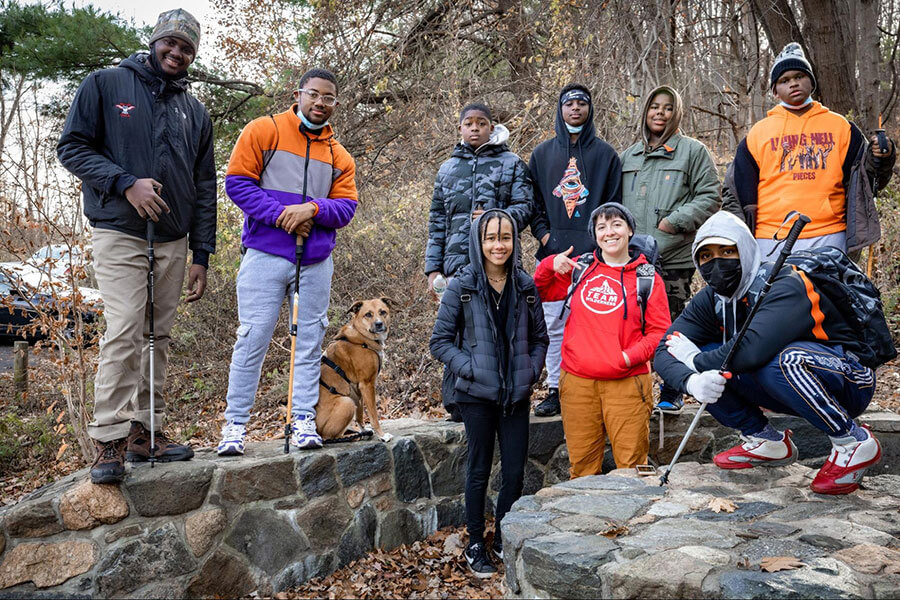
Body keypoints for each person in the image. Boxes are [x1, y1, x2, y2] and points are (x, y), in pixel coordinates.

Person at [57, 9, 215, 484]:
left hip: (173, 240)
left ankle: (147, 431)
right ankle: (110, 438)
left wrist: (202, 254)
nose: (177, 52)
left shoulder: (195, 111)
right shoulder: (106, 84)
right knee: (126, 327)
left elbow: (205, 185)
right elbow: (72, 148)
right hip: (119, 230)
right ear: (154, 42)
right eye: (170, 43)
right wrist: (125, 182)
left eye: (186, 48)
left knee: (157, 336)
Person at [655, 211, 881, 495]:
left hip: (848, 380)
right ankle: (766, 440)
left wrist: (693, 360)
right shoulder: (712, 299)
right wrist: (692, 382)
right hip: (783, 384)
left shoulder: (786, 283)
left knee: (782, 360)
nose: (717, 262)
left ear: (745, 249)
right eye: (706, 256)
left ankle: (852, 440)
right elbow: (664, 350)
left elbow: (752, 350)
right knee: (707, 360)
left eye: (727, 251)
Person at [216, 68, 357, 455]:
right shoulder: (264, 130)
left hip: (315, 261)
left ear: (335, 104)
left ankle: (302, 420)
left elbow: (346, 208)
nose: (320, 102)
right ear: (298, 95)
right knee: (252, 338)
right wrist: (283, 216)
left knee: (309, 344)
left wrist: (312, 209)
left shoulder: (339, 155)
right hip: (264, 255)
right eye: (313, 94)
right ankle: (235, 425)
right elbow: (237, 183)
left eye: (328, 97)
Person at [430, 209, 548, 578]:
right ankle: (476, 543)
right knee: (479, 470)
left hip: (515, 395)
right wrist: (471, 368)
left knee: (514, 471)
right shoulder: (461, 286)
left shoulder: (525, 286)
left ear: (515, 241)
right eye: (491, 238)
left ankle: (503, 537)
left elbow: (541, 338)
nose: (499, 245)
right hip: (476, 396)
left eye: (506, 237)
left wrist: (530, 370)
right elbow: (440, 342)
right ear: (479, 242)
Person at [534, 203, 670, 478]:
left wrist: (628, 357)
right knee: (582, 468)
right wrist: (550, 263)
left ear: (630, 230)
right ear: (595, 234)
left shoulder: (647, 278)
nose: (609, 232)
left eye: (617, 224)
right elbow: (540, 291)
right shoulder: (581, 269)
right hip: (577, 383)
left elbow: (659, 332)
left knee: (633, 469)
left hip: (627, 383)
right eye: (602, 227)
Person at [732, 43, 895, 257]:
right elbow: (737, 192)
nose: (793, 83)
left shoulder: (842, 128)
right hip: (770, 238)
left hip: (831, 234)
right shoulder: (758, 133)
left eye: (799, 76)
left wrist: (882, 156)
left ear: (811, 81)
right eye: (784, 80)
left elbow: (867, 181)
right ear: (775, 91)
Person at [425, 103, 533, 421]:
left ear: (491, 127)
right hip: (455, 265)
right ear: (460, 128)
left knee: (498, 329)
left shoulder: (511, 163)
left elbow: (526, 207)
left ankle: (503, 396)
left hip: (499, 263)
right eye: (469, 123)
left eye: (481, 123)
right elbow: (437, 223)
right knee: (456, 332)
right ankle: (457, 403)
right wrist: (433, 268)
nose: (475, 128)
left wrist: (494, 218)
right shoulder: (447, 169)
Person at [620, 85, 720, 413]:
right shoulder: (629, 156)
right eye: (654, 107)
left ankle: (673, 388)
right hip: (632, 258)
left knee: (672, 325)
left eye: (667, 108)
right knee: (632, 325)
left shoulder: (692, 151)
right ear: (645, 112)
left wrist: (674, 222)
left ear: (676, 114)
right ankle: (635, 388)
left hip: (672, 256)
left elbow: (710, 196)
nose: (660, 113)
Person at [528, 83, 622, 418]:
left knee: (595, 326)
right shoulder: (541, 155)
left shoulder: (607, 155)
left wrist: (601, 244)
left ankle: (593, 390)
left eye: (582, 103)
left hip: (595, 259)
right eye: (569, 103)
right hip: (552, 259)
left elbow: (614, 205)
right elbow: (533, 203)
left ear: (590, 109)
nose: (576, 108)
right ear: (560, 109)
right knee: (553, 328)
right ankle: (555, 389)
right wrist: (545, 238)